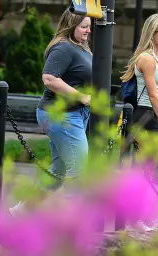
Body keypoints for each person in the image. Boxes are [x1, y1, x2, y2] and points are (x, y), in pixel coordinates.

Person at [121, 14, 158, 219]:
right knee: (147, 171)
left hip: (157, 114)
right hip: (146, 117)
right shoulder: (146, 58)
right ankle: (141, 218)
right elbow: (152, 95)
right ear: (152, 34)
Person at [36, 9, 92, 185]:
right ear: (71, 26)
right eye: (84, 26)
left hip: (75, 113)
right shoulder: (63, 47)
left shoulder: (80, 47)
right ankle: (77, 213)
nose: (88, 30)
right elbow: (49, 78)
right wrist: (81, 96)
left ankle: (19, 212)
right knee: (82, 172)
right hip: (61, 114)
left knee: (57, 174)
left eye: (89, 27)